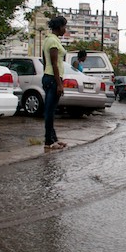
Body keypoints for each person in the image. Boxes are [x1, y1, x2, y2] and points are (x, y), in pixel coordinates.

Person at [42, 16, 68, 151]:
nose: (65, 29)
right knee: (50, 111)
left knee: (51, 110)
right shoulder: (52, 41)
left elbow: (45, 61)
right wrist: (59, 84)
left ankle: (54, 139)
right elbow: (54, 64)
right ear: (59, 27)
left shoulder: (50, 39)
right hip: (53, 78)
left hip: (49, 77)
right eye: (64, 26)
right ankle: (49, 141)